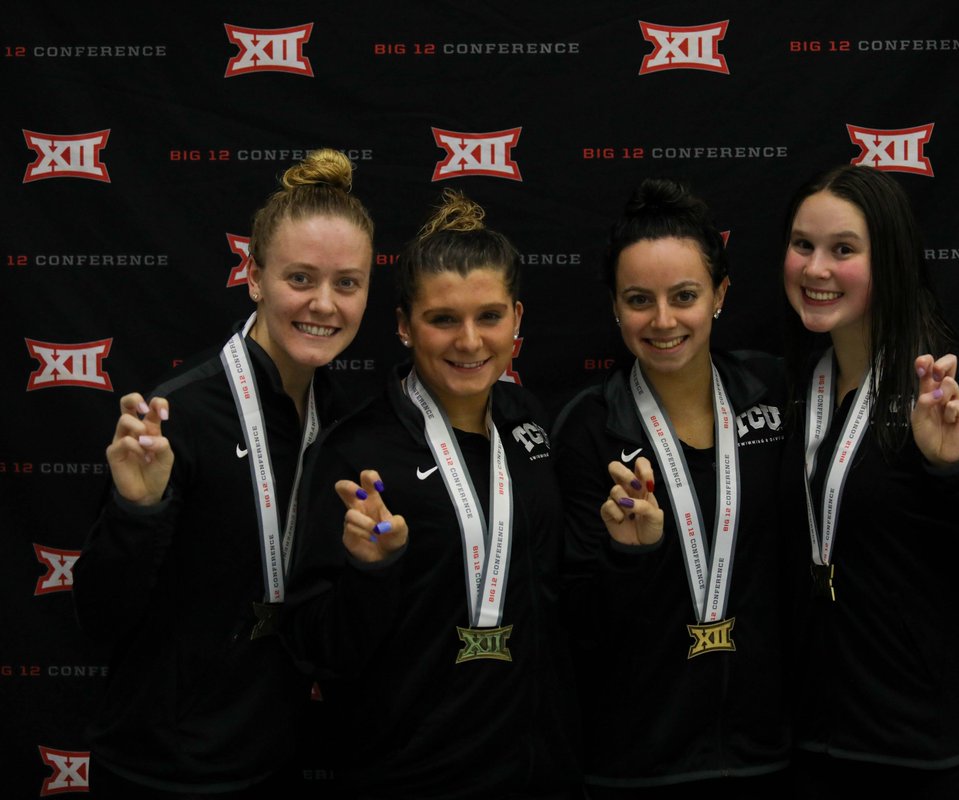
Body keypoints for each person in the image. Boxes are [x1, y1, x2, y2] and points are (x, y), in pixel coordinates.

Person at [72, 149, 376, 797]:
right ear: (255, 277)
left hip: (274, 760)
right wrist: (137, 512)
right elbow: (98, 617)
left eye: (347, 283)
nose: (324, 304)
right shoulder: (178, 416)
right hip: (160, 771)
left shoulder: (343, 422)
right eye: (300, 278)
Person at [281, 189, 580, 799]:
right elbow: (316, 646)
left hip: (538, 770)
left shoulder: (527, 421)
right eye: (443, 319)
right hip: (411, 776)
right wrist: (371, 571)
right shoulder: (356, 454)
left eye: (489, 316)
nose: (469, 341)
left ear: (517, 319)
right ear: (403, 326)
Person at [779, 163, 959, 798]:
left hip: (949, 752)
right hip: (827, 750)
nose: (816, 269)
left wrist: (957, 470)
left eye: (843, 250)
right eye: (803, 245)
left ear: (893, 262)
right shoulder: (795, 393)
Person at [552, 177, 793, 796]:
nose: (663, 321)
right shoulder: (587, 428)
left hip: (770, 753)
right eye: (639, 300)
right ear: (614, 305)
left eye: (684, 295)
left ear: (720, 294)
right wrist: (628, 555)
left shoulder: (775, 394)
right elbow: (571, 619)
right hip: (638, 762)